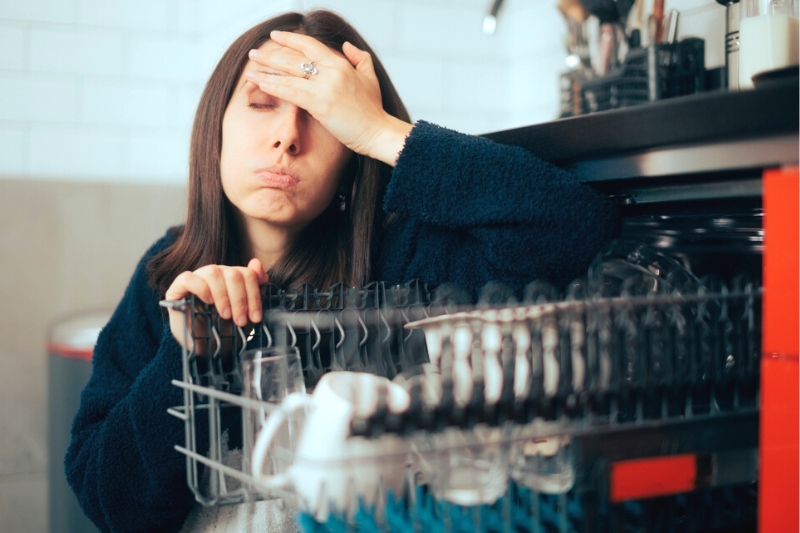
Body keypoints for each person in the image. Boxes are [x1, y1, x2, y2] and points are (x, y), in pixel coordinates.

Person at [65, 9, 620, 533]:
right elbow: (109, 503)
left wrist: (382, 133)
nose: (288, 137)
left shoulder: (407, 256)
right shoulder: (167, 277)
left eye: (323, 116)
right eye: (262, 104)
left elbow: (576, 228)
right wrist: (188, 360)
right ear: (216, 128)